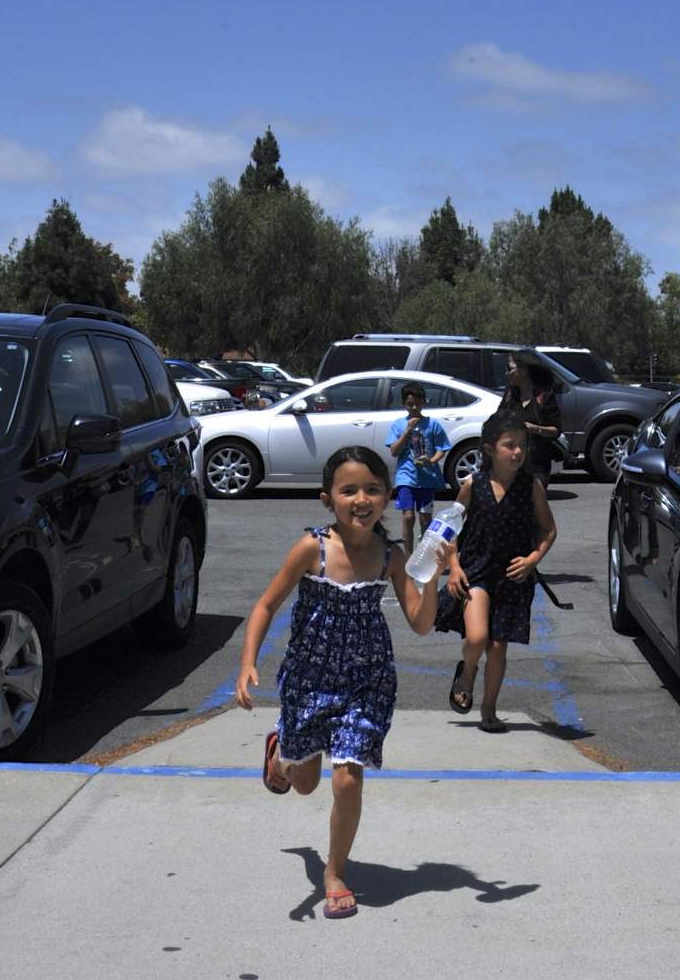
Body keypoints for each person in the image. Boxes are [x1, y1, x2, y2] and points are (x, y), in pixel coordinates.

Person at [235, 446, 450, 920]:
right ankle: (281, 753)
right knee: (305, 784)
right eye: (349, 490)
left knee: (348, 778)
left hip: (366, 682)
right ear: (327, 499)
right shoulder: (312, 548)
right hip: (309, 680)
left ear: (388, 497)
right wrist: (248, 662)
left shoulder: (391, 555)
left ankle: (335, 872)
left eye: (372, 489)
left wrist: (434, 575)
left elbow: (420, 623)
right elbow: (266, 605)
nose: (361, 499)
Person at [434, 409, 556, 733]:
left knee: (499, 647)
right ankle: (467, 671)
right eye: (509, 445)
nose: (517, 452)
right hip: (476, 571)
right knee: (477, 638)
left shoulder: (532, 486)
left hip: (513, 577)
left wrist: (533, 559)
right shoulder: (472, 485)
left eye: (522, 446)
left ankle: (489, 709)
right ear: (490, 449)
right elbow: (450, 528)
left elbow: (548, 531)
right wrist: (454, 566)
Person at [385, 381, 450, 558]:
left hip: (427, 479)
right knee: (408, 516)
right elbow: (394, 451)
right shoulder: (399, 424)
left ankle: (424, 554)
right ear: (404, 404)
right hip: (405, 476)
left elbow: (442, 448)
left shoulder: (433, 424)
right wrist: (407, 430)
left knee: (425, 518)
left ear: (424, 402)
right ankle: (408, 556)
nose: (414, 407)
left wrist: (431, 461)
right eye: (410, 404)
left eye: (418, 403)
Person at [501, 351, 564, 486]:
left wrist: (535, 429)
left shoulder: (544, 396)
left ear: (523, 370)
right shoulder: (510, 394)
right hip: (511, 464)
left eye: (509, 368)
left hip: (537, 465)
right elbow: (498, 419)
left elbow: (556, 430)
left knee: (534, 498)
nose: (506, 373)